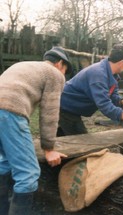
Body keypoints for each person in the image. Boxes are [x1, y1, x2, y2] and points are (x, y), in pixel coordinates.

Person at [0, 47, 71, 214]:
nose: (64, 75)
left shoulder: (22, 65)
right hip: (9, 112)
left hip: (4, 111)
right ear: (60, 63)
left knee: (4, 162)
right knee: (28, 174)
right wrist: (49, 148)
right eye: (65, 70)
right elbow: (50, 113)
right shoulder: (54, 74)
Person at [57, 44, 123, 136]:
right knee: (81, 140)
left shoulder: (111, 74)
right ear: (121, 62)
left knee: (64, 136)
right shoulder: (99, 75)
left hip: (72, 107)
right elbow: (104, 104)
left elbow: (112, 94)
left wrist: (121, 101)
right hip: (65, 106)